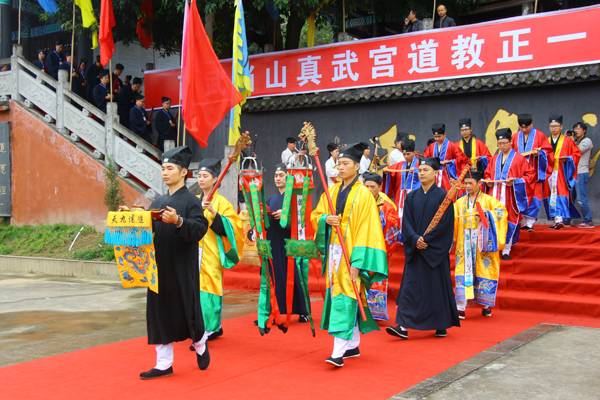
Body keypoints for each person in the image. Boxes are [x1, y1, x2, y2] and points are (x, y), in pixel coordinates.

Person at [311, 142, 388, 368]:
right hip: (335, 251)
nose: (341, 167)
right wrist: (326, 220)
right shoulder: (332, 190)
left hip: (352, 251)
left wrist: (358, 262)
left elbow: (368, 229)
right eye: (339, 163)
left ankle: (337, 351)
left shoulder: (364, 195)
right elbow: (317, 214)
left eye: (345, 164)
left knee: (346, 295)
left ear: (356, 166)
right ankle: (352, 344)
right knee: (340, 294)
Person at [140, 146, 210, 379]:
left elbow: (200, 229)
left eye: (170, 168)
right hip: (159, 265)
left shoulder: (191, 201)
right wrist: (133, 215)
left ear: (183, 173)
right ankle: (163, 363)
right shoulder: (159, 200)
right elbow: (147, 225)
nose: (165, 173)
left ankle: (200, 342)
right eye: (163, 168)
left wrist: (179, 221)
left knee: (187, 308)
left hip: (182, 265)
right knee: (159, 311)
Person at [387, 157, 459, 340]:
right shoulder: (412, 197)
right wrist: (414, 239)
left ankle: (440, 323)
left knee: (436, 289)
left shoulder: (443, 196)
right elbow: (407, 223)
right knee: (410, 288)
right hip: (416, 250)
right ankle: (403, 325)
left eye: (426, 170)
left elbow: (445, 225)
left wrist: (427, 240)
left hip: (434, 250)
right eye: (420, 170)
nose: (422, 173)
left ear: (435, 174)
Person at [196, 158, 244, 341]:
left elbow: (234, 226)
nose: (201, 179)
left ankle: (212, 326)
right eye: (199, 176)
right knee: (196, 288)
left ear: (215, 179)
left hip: (212, 251)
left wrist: (216, 215)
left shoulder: (222, 202)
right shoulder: (194, 200)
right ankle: (201, 324)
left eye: (205, 176)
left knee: (211, 286)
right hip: (196, 250)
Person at [453, 169, 507, 319]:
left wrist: (486, 215)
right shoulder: (459, 203)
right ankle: (460, 307)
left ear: (480, 183)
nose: (468, 186)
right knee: (463, 271)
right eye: (466, 184)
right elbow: (453, 220)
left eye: (470, 183)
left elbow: (501, 213)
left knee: (484, 270)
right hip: (464, 243)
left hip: (482, 242)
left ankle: (486, 304)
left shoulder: (489, 201)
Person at [266, 164, 309, 322]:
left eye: (281, 175)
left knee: (294, 274)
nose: (278, 178)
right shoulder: (271, 198)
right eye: (276, 175)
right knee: (276, 274)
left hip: (290, 241)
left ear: (288, 177)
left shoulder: (294, 198)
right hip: (275, 240)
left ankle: (302, 310)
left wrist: (286, 215)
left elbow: (300, 220)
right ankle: (276, 309)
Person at [485, 128, 533, 260]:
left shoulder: (519, 159)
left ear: (511, 142)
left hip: (511, 196)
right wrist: (488, 182)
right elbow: (488, 173)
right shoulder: (494, 159)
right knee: (493, 220)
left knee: (509, 220)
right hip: (494, 195)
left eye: (505, 143)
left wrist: (516, 182)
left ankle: (506, 248)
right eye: (500, 144)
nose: (502, 146)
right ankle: (493, 247)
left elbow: (530, 176)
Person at [512, 113, 554, 231]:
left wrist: (539, 154)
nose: (524, 129)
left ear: (532, 124)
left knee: (535, 196)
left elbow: (548, 152)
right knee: (521, 195)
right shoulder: (515, 136)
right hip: (520, 172)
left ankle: (530, 221)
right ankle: (523, 220)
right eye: (522, 127)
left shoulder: (540, 136)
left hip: (535, 172)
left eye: (527, 127)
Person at [543, 115, 581, 229]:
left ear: (561, 127)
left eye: (556, 126)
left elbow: (576, 154)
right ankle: (556, 219)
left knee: (560, 194)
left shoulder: (568, 141)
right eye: (551, 126)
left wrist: (568, 159)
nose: (554, 128)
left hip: (561, 172)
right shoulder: (546, 141)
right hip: (549, 172)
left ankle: (560, 219)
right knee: (551, 195)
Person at [383, 138, 420, 241]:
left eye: (408, 154)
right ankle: (401, 238)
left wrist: (417, 171)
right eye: (404, 154)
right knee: (400, 215)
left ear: (414, 152)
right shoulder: (400, 165)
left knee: (414, 216)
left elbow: (428, 174)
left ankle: (413, 237)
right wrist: (386, 172)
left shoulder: (420, 164)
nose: (406, 156)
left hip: (415, 196)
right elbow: (391, 171)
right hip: (401, 197)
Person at [424, 123, 469, 190]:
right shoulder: (431, 147)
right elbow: (426, 159)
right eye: (435, 137)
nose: (437, 139)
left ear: (444, 135)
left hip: (447, 177)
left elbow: (462, 159)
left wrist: (450, 162)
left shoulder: (452, 146)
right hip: (434, 176)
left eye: (439, 136)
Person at [363, 172, 400, 247]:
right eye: (366, 186)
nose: (369, 189)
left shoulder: (387, 208)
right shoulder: (357, 203)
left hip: (379, 245)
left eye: (372, 187)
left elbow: (392, 234)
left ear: (380, 187)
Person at [573, 122, 594, 227]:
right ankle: (567, 219)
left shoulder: (587, 141)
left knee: (581, 198)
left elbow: (578, 151)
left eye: (578, 128)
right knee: (570, 197)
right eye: (575, 128)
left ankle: (588, 220)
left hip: (581, 172)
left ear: (584, 130)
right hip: (573, 173)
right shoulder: (576, 141)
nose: (576, 130)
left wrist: (570, 141)